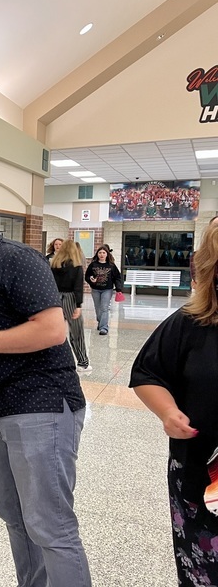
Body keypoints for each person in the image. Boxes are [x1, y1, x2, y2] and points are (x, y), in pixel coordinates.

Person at [0, 179, 91, 587]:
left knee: (51, 526)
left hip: (40, 407)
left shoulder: (16, 259)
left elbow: (53, 330)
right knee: (15, 517)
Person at [130, 223, 218, 585]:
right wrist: (168, 411)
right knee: (203, 570)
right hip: (201, 474)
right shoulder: (191, 323)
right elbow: (147, 372)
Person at [51, 239, 91, 372]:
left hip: (55, 298)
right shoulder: (76, 266)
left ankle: (54, 361)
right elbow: (78, 287)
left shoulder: (54, 265)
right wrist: (78, 305)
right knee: (76, 332)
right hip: (70, 299)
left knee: (55, 331)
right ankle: (83, 362)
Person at [85, 245, 123, 335]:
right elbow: (87, 276)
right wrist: (91, 279)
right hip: (95, 289)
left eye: (103, 253)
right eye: (100, 253)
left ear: (107, 254)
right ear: (97, 254)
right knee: (98, 308)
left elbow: (117, 277)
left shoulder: (111, 265)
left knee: (104, 308)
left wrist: (118, 288)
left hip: (107, 289)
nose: (102, 254)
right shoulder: (93, 265)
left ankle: (104, 327)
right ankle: (100, 322)